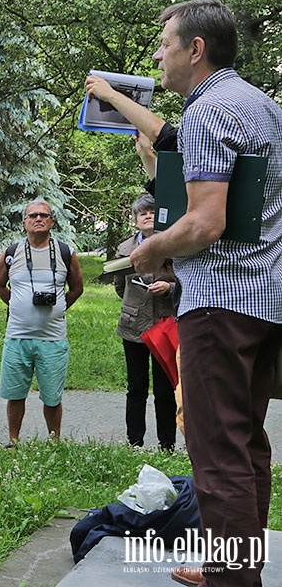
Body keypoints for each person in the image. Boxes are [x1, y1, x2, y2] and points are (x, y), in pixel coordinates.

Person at [130, 0, 282, 586]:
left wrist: (151, 249)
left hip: (221, 303)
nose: (159, 56)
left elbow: (205, 222)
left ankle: (231, 582)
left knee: (217, 453)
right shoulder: (262, 104)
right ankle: (233, 565)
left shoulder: (207, 112)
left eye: (165, 44)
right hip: (267, 299)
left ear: (195, 50)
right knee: (246, 445)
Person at [0, 200, 83, 446]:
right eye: (32, 215)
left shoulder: (66, 253)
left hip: (53, 339)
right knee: (15, 394)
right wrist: (17, 305)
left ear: (52, 222)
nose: (38, 219)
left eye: (44, 215)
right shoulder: (11, 253)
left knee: (52, 396)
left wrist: (59, 307)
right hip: (17, 337)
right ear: (24, 223)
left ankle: (54, 441)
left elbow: (77, 289)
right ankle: (13, 441)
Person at [113, 193, 178, 452]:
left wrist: (169, 287)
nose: (148, 215)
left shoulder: (174, 245)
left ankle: (167, 443)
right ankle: (134, 442)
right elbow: (120, 286)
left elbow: (186, 282)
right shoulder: (124, 250)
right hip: (133, 326)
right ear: (136, 220)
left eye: (152, 211)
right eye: (142, 213)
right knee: (136, 386)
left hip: (164, 327)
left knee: (165, 389)